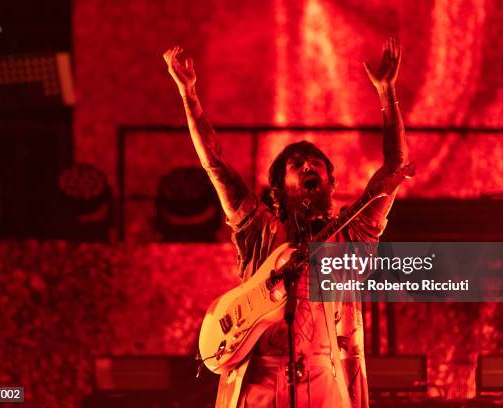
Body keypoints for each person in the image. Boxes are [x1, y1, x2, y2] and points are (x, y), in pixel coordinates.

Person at [163, 36, 408, 408]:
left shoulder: (352, 234)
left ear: (330, 182)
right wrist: (189, 95)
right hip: (260, 382)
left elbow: (393, 170)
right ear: (278, 188)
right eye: (297, 164)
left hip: (325, 383)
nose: (309, 166)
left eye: (316, 164)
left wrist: (388, 94)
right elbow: (214, 163)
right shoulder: (257, 229)